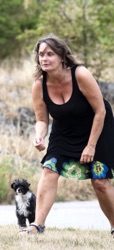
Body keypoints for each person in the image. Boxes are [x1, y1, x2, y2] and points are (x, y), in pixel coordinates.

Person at [20, 34, 114, 236]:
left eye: (49, 54)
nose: (44, 58)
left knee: (99, 180)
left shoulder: (80, 74)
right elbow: (42, 119)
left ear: (62, 56)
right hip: (64, 131)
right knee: (49, 169)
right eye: (41, 55)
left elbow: (101, 111)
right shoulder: (39, 85)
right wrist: (39, 136)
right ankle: (37, 226)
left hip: (97, 127)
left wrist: (90, 146)